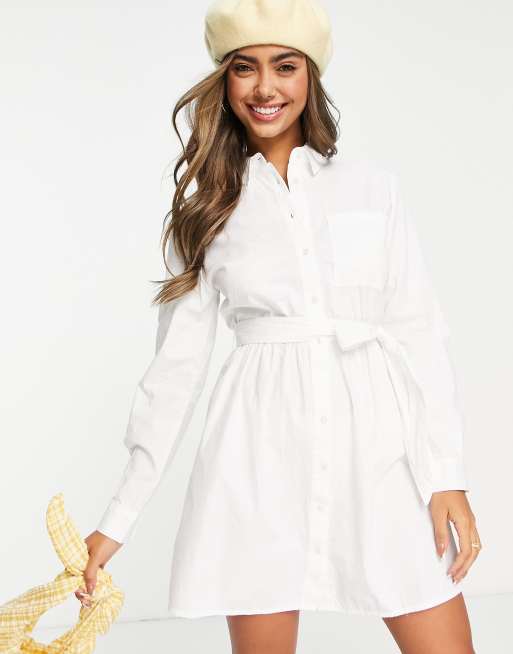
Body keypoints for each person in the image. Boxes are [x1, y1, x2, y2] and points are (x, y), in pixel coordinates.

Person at [75, 1, 481, 651]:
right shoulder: (204, 210)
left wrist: (445, 476)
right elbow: (173, 376)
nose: (265, 87)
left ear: (310, 76)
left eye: (285, 66)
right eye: (245, 68)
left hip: (376, 452)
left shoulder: (371, 188)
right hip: (256, 460)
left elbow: (419, 333)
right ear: (224, 79)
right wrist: (116, 520)